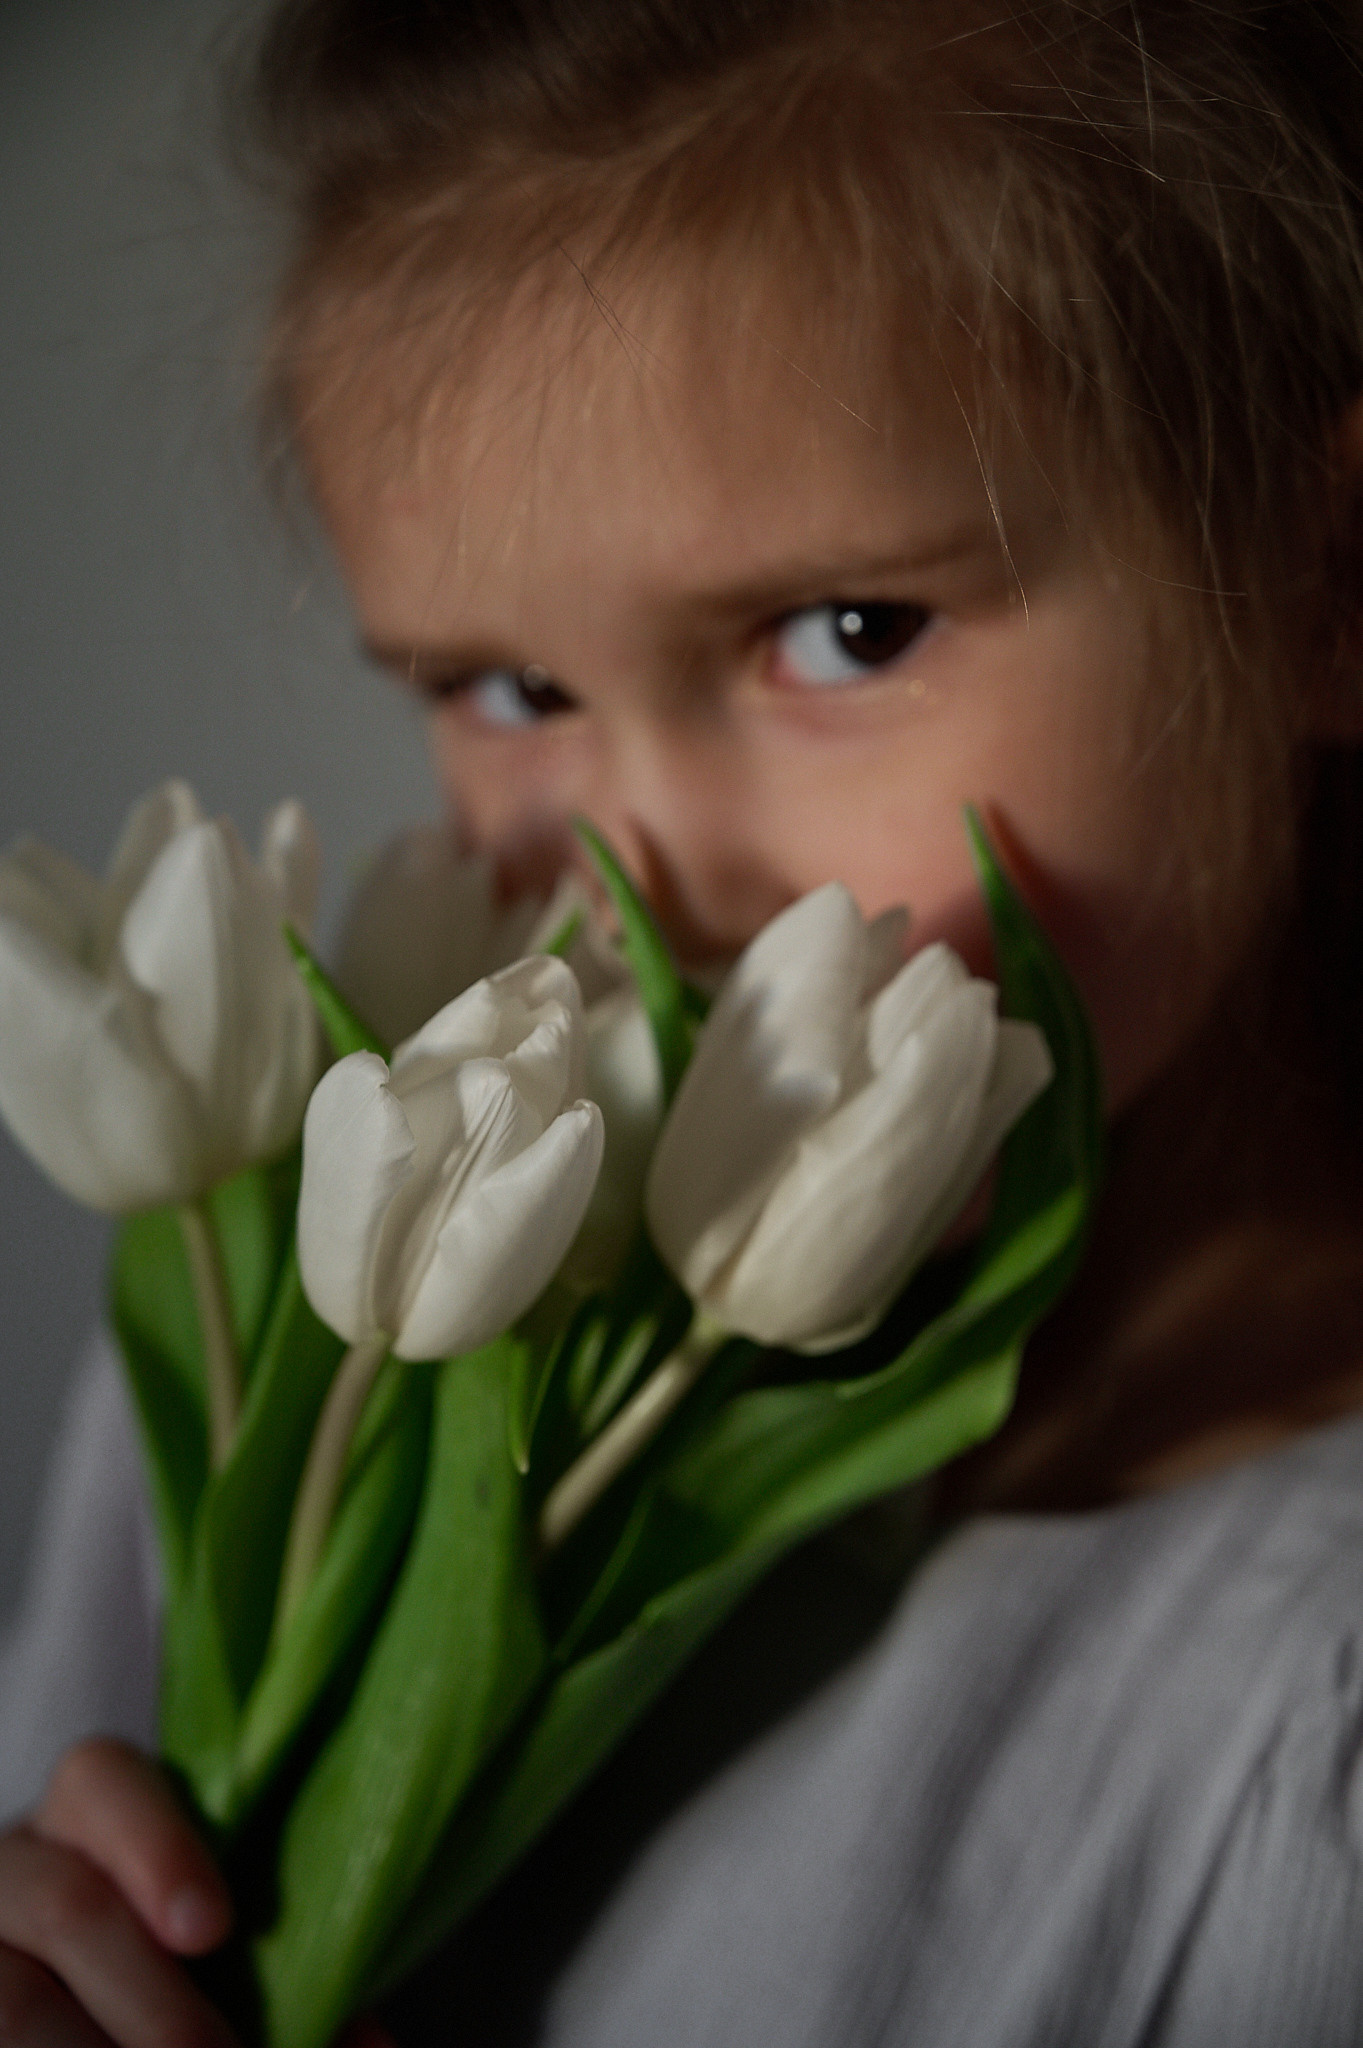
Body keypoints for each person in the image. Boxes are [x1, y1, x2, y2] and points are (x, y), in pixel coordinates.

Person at [3, 0, 1363, 2040]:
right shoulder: (307, 1354)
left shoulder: (1305, 1745)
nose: (637, 888)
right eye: (499, 689)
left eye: (846, 630)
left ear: (1323, 572)